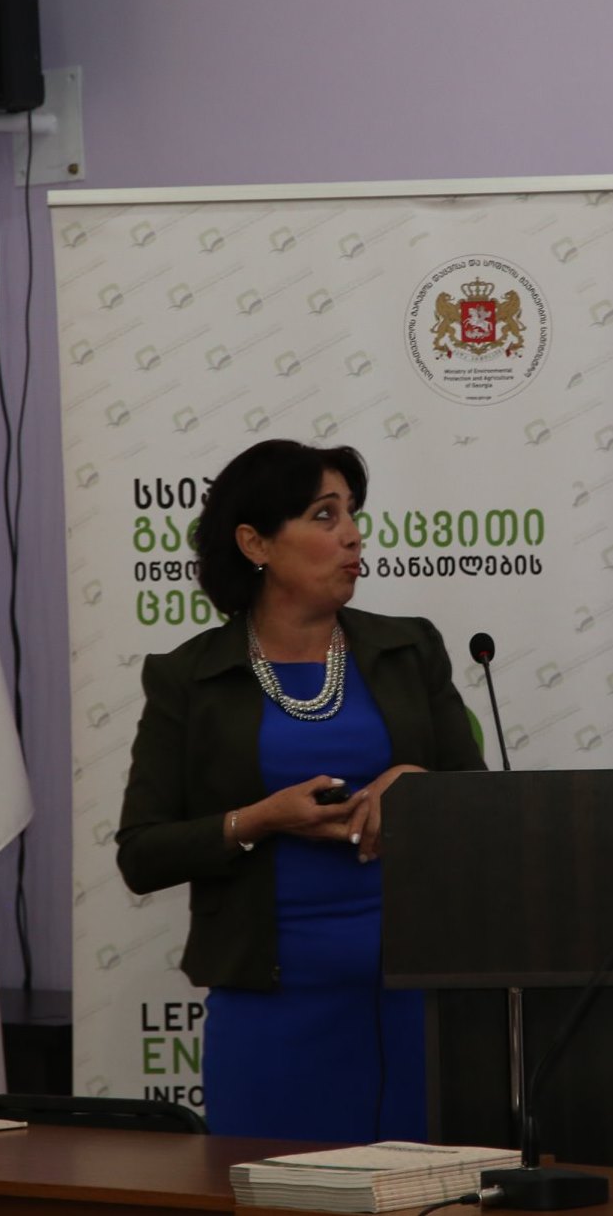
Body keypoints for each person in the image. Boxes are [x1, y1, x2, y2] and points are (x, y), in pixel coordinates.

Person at [115, 438, 485, 1142]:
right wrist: (259, 819)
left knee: (429, 1185)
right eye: (323, 515)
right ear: (255, 542)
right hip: (272, 1011)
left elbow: (480, 804)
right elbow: (143, 852)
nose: (352, 534)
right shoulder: (189, 678)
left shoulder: (408, 650)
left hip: (419, 1002)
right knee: (275, 1187)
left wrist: (416, 785)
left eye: (351, 512)